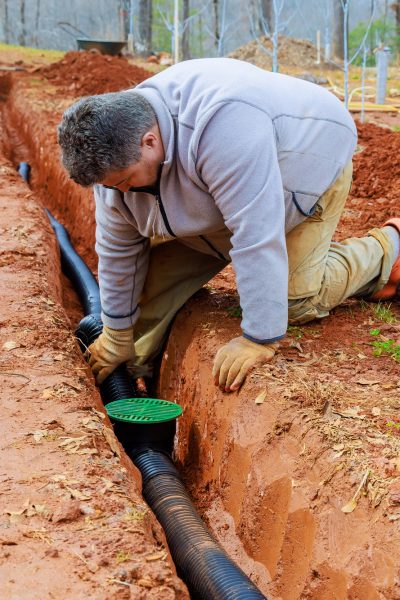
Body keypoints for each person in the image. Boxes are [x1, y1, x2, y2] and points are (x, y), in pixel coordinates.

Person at [58, 58, 400, 393]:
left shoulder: (222, 126)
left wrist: (258, 338)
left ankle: (389, 247)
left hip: (303, 164)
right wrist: (117, 335)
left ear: (150, 142)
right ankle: (140, 378)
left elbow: (256, 235)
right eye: (111, 187)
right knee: (143, 293)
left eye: (125, 182)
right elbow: (118, 249)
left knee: (293, 300)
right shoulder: (117, 154)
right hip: (219, 195)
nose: (121, 193)